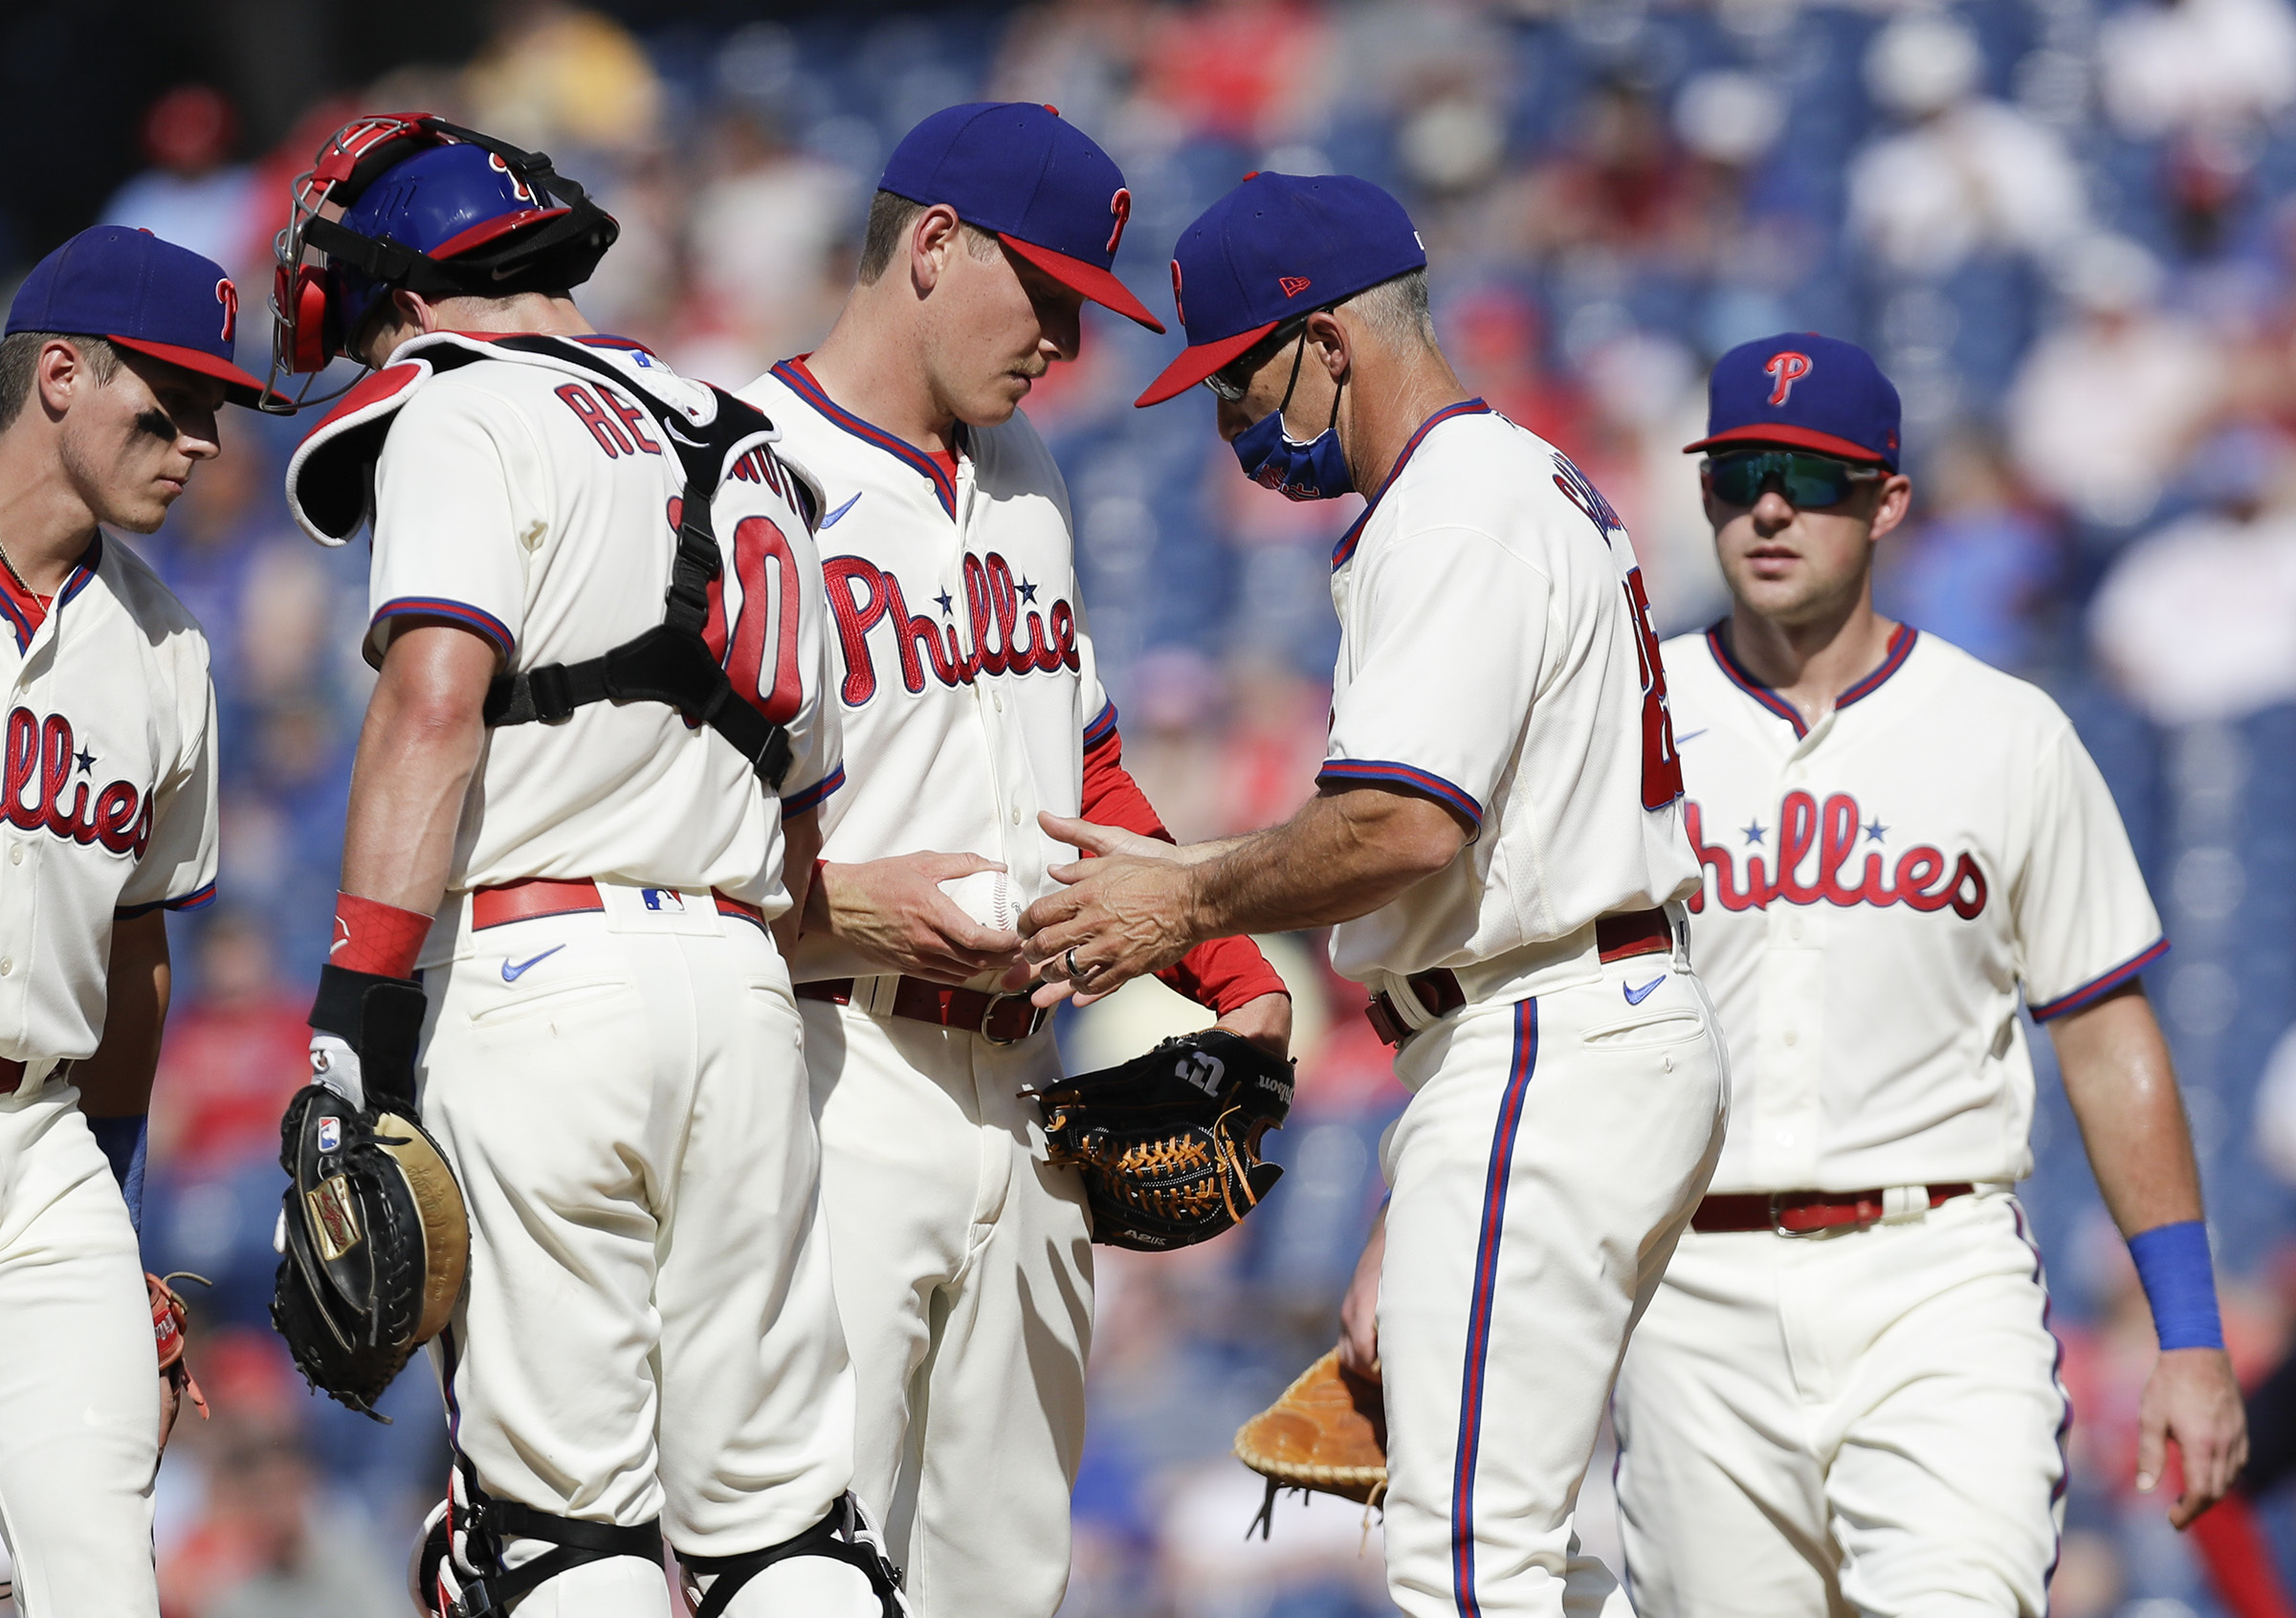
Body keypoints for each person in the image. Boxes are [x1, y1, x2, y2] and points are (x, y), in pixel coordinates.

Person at [1019, 171, 1727, 1618]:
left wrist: (1190, 899)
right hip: (1566, 1024)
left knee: (1468, 1562)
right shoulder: (1522, 480)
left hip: (1546, 1030)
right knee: (1532, 1547)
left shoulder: (1455, 507)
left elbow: (1403, 823)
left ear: (1328, 342)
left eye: (1240, 382)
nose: (1233, 429)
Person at [272, 116, 891, 1616]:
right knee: (781, 1514)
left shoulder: (455, 405)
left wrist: (359, 1005)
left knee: (559, 1523)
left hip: (543, 973)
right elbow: (807, 805)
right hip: (741, 982)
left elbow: (435, 703)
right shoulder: (748, 437)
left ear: (407, 297)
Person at [736, 101, 1292, 1618]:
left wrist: (1229, 967)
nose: (1063, 337)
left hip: (1030, 1103)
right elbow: (657, 820)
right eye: (1044, 293)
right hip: (829, 1073)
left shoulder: (1028, 470)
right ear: (931, 247)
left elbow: (1087, 753)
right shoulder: (742, 467)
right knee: (802, 1566)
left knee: (1000, 1584)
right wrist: (844, 909)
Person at [1603, 332, 2247, 1616]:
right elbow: (1524, 1007)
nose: (1772, 506)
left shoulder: (2004, 732)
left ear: (1889, 502)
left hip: (1934, 1273)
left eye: (1817, 476)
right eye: (1740, 475)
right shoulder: (1623, 721)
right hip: (1692, 1296)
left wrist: (2188, 1335)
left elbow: (2104, 1026)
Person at [0, 224, 259, 1614]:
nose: (204, 441)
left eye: (216, 408)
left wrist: (120, 1226)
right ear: (59, 376)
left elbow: (137, 952)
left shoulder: (166, 650)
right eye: (171, 402)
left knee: (97, 1573)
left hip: (43, 1148)